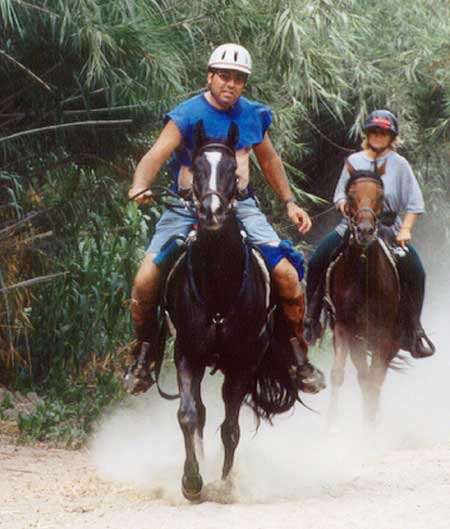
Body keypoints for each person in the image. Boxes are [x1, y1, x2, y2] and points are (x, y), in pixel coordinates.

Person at [124, 43, 326, 394]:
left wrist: (290, 202)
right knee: (144, 282)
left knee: (287, 277)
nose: (230, 85)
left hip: (241, 206)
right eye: (224, 77)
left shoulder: (252, 115)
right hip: (186, 209)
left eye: (238, 79)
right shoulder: (186, 115)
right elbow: (155, 155)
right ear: (210, 76)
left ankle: (297, 355)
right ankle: (144, 353)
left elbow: (270, 161)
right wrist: (139, 185)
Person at [304, 109, 435, 358]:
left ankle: (415, 328)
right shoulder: (353, 161)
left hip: (388, 229)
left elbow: (415, 204)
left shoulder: (400, 165)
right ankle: (312, 317)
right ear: (367, 133)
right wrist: (346, 207)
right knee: (319, 257)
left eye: (384, 132)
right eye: (374, 131)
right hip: (353, 226)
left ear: (391, 136)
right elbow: (340, 196)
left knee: (416, 269)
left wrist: (406, 228)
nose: (378, 135)